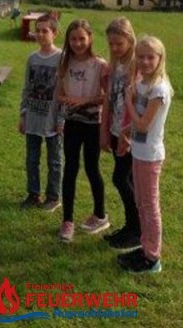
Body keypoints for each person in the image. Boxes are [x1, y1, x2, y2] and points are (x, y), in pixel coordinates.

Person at [117, 35, 172, 274]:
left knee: (150, 206)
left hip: (150, 155)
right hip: (139, 152)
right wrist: (125, 131)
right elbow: (137, 123)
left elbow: (143, 124)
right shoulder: (143, 84)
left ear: (160, 58)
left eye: (151, 57)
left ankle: (153, 258)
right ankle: (145, 247)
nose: (145, 61)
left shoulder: (159, 89)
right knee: (141, 202)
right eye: (140, 57)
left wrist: (128, 101)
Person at [55, 19, 109, 242]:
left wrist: (84, 101)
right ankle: (67, 221)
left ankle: (100, 214)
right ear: (68, 40)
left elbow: (107, 97)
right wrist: (66, 100)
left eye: (82, 38)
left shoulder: (99, 65)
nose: (78, 43)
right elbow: (58, 93)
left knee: (92, 168)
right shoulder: (64, 62)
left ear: (90, 38)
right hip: (72, 123)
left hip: (93, 124)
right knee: (70, 168)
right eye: (73, 39)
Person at [100, 17, 141, 251]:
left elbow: (137, 103)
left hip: (130, 134)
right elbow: (108, 98)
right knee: (128, 180)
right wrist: (104, 130)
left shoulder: (137, 66)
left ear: (130, 40)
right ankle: (130, 227)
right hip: (115, 130)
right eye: (111, 44)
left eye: (119, 44)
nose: (115, 48)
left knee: (121, 178)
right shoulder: (114, 64)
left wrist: (127, 134)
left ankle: (137, 230)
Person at [18, 14, 63, 211]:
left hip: (52, 119)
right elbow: (27, 87)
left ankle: (53, 197)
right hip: (33, 117)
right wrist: (23, 114)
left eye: (45, 31)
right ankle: (33, 194)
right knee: (32, 159)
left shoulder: (61, 58)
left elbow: (65, 90)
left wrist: (61, 119)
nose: (41, 34)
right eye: (38, 30)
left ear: (55, 33)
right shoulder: (32, 59)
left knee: (54, 160)